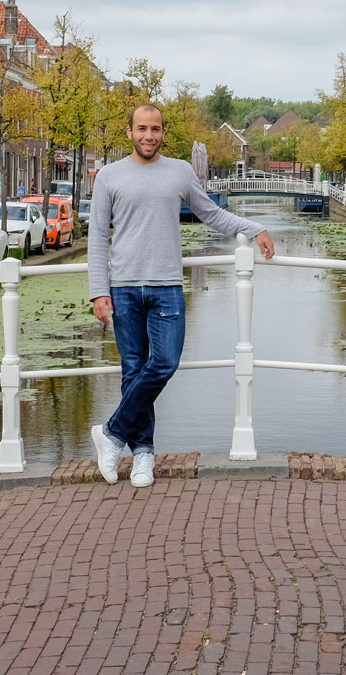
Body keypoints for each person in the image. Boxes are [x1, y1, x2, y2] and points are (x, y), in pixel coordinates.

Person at [88, 103, 275, 488]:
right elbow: (96, 239)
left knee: (165, 363)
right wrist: (98, 292)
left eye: (155, 129)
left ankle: (111, 433)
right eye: (141, 128)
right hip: (123, 288)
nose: (148, 136)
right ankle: (142, 454)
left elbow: (212, 214)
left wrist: (254, 227)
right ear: (129, 132)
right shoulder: (108, 176)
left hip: (167, 286)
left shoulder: (180, 172)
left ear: (163, 132)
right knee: (133, 371)